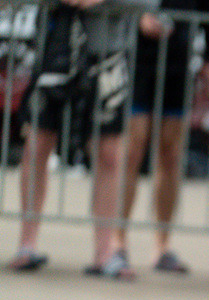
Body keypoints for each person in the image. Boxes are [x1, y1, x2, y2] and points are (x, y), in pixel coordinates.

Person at [8, 0, 158, 278]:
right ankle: (26, 245)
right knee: (38, 144)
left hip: (109, 56)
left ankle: (106, 253)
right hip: (55, 50)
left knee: (111, 153)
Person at [116, 1, 209, 275]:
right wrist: (136, 17)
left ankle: (162, 246)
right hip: (135, 59)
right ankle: (117, 243)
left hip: (178, 61)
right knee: (131, 152)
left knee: (171, 155)